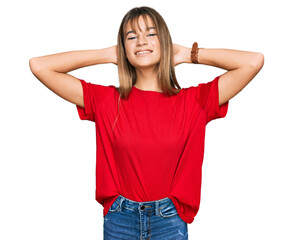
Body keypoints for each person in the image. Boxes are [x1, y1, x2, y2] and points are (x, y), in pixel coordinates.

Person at [29, 6, 264, 240]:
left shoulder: (194, 101)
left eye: (151, 34)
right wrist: (108, 54)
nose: (141, 41)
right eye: (132, 37)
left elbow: (253, 62)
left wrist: (188, 54)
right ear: (124, 48)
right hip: (120, 219)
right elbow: (40, 66)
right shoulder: (105, 101)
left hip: (170, 221)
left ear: (165, 42)